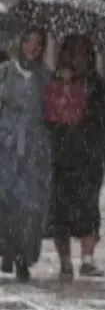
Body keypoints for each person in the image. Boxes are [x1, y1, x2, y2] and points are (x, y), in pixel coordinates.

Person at [46, 34, 105, 280]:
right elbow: (46, 116)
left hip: (89, 156)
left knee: (88, 207)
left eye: (82, 52)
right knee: (60, 210)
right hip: (60, 155)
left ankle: (87, 258)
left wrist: (90, 107)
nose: (77, 58)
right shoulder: (54, 82)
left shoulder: (101, 86)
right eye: (72, 52)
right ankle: (65, 260)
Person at [0, 28, 52, 282]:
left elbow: (52, 112)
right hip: (6, 146)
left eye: (37, 43)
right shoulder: (5, 73)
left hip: (35, 149)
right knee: (6, 202)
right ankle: (7, 249)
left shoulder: (46, 78)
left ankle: (24, 255)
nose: (31, 47)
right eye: (27, 41)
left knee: (30, 207)